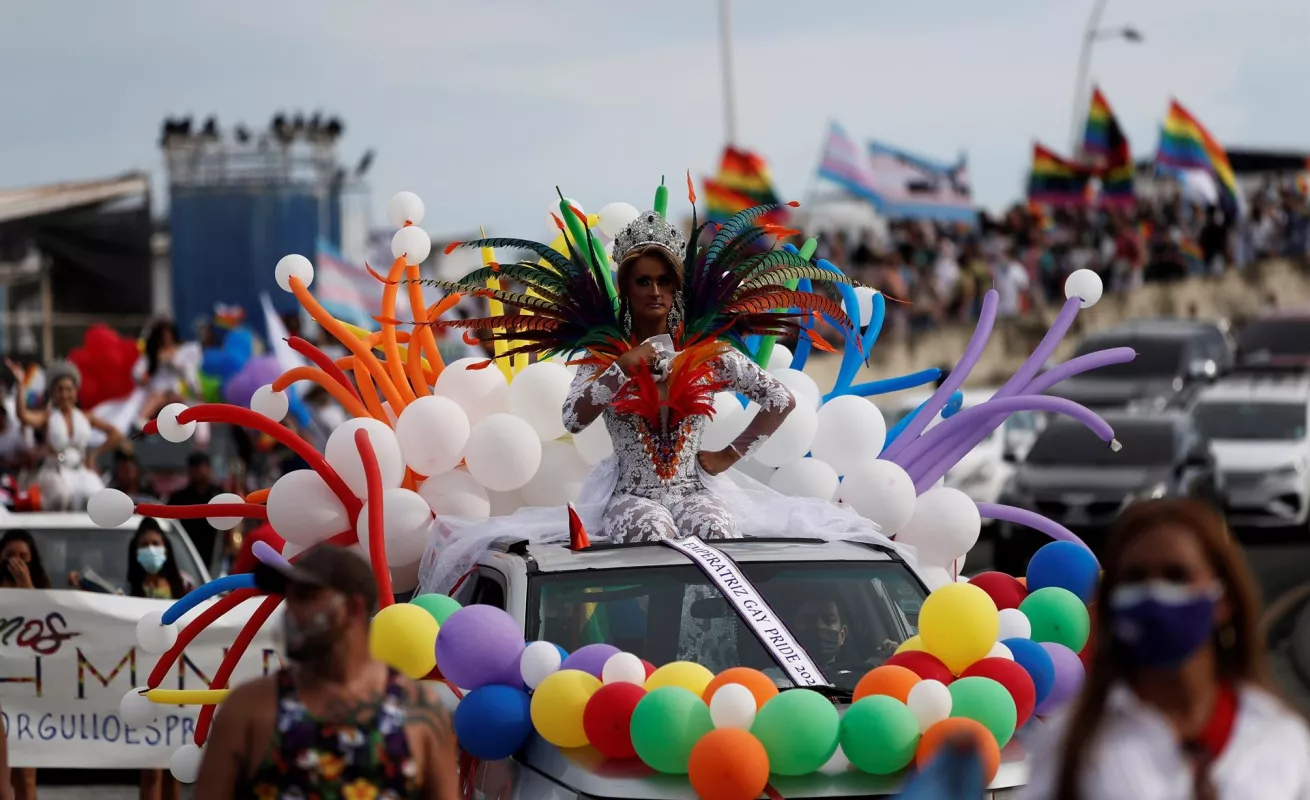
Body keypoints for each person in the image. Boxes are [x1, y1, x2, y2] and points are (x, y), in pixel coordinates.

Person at [417, 198, 905, 596]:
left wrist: (729, 454)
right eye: (643, 281)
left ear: (676, 288)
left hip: (695, 490)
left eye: (664, 281)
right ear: (626, 288)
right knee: (654, 537)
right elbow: (572, 418)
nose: (655, 291)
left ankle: (714, 644)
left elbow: (780, 400)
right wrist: (622, 369)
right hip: (630, 496)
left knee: (718, 535)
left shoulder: (707, 355)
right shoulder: (604, 356)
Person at [1021, 499, 1310, 799]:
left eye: (1176, 575)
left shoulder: (1277, 740)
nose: (1154, 594)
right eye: (1135, 578)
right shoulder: (1073, 745)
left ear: (1223, 599)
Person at [196, 546, 459, 800]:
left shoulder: (420, 713)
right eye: (289, 597)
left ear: (354, 608)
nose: (291, 612)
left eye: (306, 597)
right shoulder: (250, 708)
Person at [8, 359, 122, 510]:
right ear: (53, 394)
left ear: (75, 391)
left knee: (95, 497)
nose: (64, 394)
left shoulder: (86, 417)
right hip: (54, 470)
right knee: (61, 496)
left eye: (69, 389)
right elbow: (23, 415)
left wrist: (93, 454)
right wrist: (21, 384)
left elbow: (116, 434)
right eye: (59, 390)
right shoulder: (47, 417)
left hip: (80, 470)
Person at [0, 530, 45, 800]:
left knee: (26, 775)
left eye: (23, 557)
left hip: (27, 693)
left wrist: (26, 587)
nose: (16, 562)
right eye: (10, 556)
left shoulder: (40, 592)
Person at [166, 452, 222, 572]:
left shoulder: (220, 495)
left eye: (203, 468)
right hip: (186, 552)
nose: (200, 472)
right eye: (196, 469)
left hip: (215, 552)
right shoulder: (179, 498)